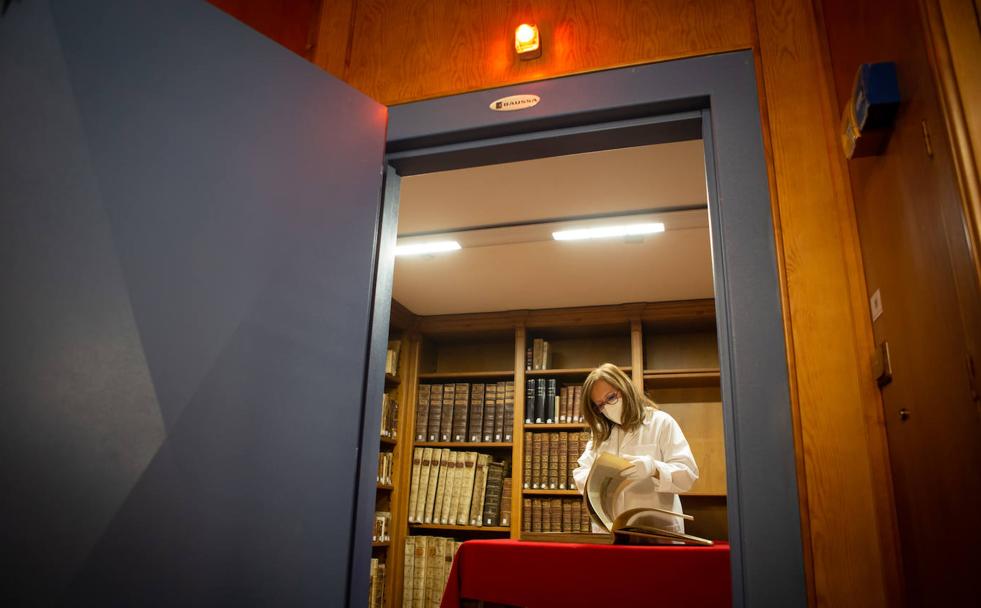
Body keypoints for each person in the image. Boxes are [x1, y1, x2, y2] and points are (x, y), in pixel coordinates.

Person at [572, 362, 698, 534]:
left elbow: (688, 475)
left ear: (625, 389)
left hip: (657, 530)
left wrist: (654, 469)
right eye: (600, 405)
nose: (607, 408)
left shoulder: (661, 422)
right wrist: (596, 479)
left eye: (610, 398)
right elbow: (581, 472)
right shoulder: (601, 434)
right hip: (611, 531)